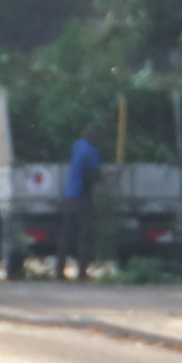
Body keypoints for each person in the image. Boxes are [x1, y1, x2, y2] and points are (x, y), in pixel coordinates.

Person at [59, 120, 103, 280]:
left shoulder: (77, 146)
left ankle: (59, 271)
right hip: (82, 198)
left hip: (70, 195)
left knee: (66, 235)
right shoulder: (91, 151)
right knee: (85, 235)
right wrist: (107, 175)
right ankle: (82, 273)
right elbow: (92, 176)